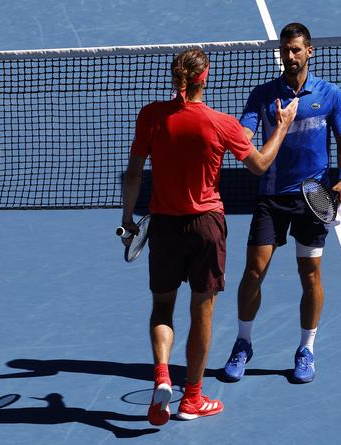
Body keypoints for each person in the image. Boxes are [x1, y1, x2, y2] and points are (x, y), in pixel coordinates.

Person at [121, 48, 298, 425]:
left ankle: (163, 377)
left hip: (165, 228)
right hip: (206, 228)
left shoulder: (150, 117)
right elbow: (260, 164)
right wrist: (281, 125)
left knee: (162, 309)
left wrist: (128, 221)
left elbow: (133, 174)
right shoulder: (221, 123)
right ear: (206, 78)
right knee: (202, 312)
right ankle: (193, 399)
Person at [222, 22, 341, 384]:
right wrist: (240, 138)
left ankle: (305, 348)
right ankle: (243, 343)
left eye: (296, 49)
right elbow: (245, 134)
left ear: (309, 51)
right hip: (271, 197)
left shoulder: (329, 95)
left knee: (310, 275)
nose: (290, 56)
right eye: (285, 50)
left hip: (313, 198)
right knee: (253, 272)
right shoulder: (263, 96)